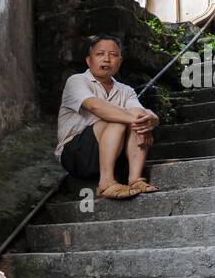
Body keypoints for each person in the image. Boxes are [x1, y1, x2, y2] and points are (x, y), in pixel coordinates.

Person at [54, 35, 160, 199]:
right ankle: (106, 184)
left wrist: (150, 120)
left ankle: (135, 179)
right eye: (100, 54)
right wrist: (138, 119)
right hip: (76, 156)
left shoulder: (125, 90)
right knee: (120, 119)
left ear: (120, 61)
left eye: (113, 54)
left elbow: (139, 112)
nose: (107, 59)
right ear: (89, 61)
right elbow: (95, 107)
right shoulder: (77, 81)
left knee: (138, 120)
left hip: (115, 155)